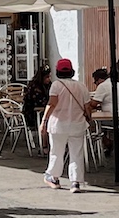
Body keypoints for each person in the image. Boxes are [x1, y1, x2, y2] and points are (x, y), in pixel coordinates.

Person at [40, 58, 91, 193]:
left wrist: (44, 121)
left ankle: (54, 178)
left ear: (57, 71)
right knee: (76, 154)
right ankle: (75, 183)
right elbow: (87, 107)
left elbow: (51, 104)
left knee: (56, 152)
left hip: (58, 125)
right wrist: (89, 119)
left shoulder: (56, 85)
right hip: (77, 125)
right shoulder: (82, 86)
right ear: (72, 71)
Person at [23, 67, 53, 131]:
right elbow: (38, 101)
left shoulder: (49, 85)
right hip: (32, 113)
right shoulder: (34, 86)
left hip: (42, 110)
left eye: (50, 77)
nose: (49, 79)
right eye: (47, 77)